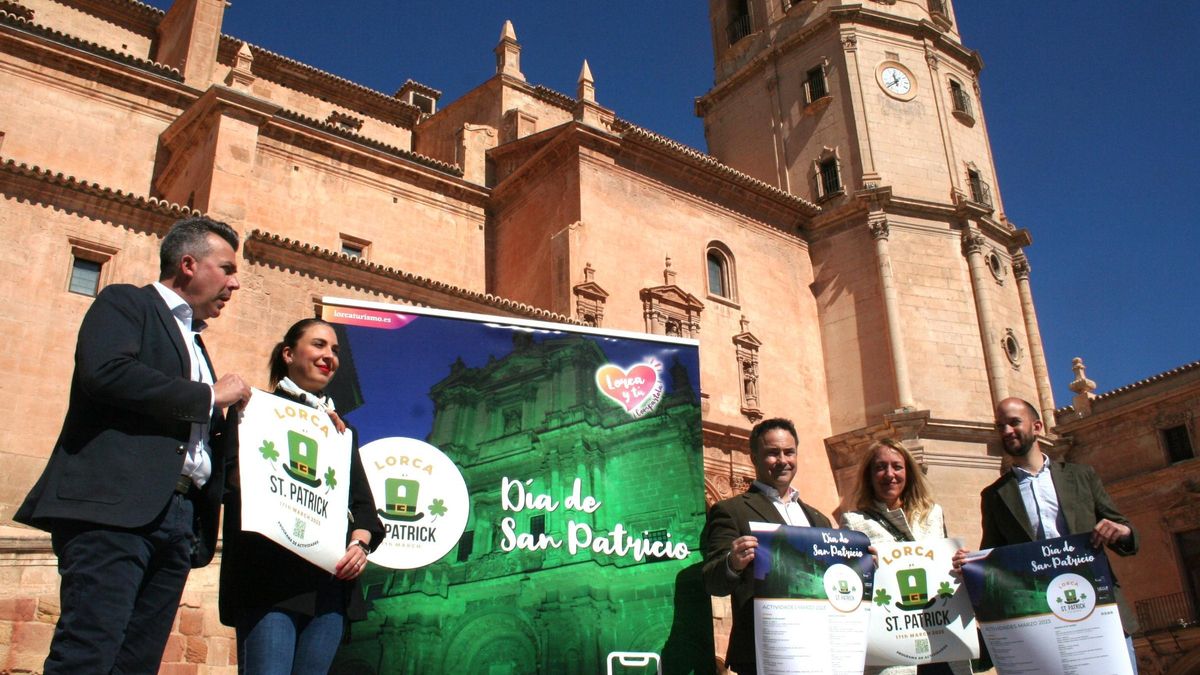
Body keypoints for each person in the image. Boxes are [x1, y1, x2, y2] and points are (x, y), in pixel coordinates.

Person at [15, 216, 251, 673]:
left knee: (137, 663)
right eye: (226, 268)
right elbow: (105, 373)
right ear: (188, 264)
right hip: (115, 511)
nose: (235, 283)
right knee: (88, 652)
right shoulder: (125, 303)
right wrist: (209, 395)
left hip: (179, 518)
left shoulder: (196, 343)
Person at [220, 317, 385, 675]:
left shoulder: (342, 432)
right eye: (319, 345)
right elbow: (227, 481)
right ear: (289, 353)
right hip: (270, 583)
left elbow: (365, 509)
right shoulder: (252, 410)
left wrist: (360, 545)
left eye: (336, 350)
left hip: (328, 592)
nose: (330, 356)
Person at [956, 397, 1139, 671]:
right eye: (1000, 426)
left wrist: (1120, 531)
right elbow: (996, 558)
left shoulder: (1081, 476)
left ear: (1037, 426)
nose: (1006, 431)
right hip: (1039, 620)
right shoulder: (995, 496)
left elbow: (1124, 533)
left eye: (1014, 422)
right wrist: (970, 563)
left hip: (1098, 610)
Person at [701, 418, 832, 675]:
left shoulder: (819, 519)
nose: (783, 460)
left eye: (789, 452)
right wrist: (732, 563)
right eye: (772, 453)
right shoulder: (731, 511)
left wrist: (860, 567)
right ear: (754, 458)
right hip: (765, 655)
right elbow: (712, 581)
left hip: (817, 650)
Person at [839, 439, 970, 675]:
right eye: (880, 467)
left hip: (941, 640)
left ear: (908, 472)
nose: (889, 474)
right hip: (893, 651)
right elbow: (847, 583)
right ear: (869, 475)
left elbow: (946, 569)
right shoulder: (854, 522)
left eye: (897, 467)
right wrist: (861, 571)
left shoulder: (932, 515)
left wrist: (961, 564)